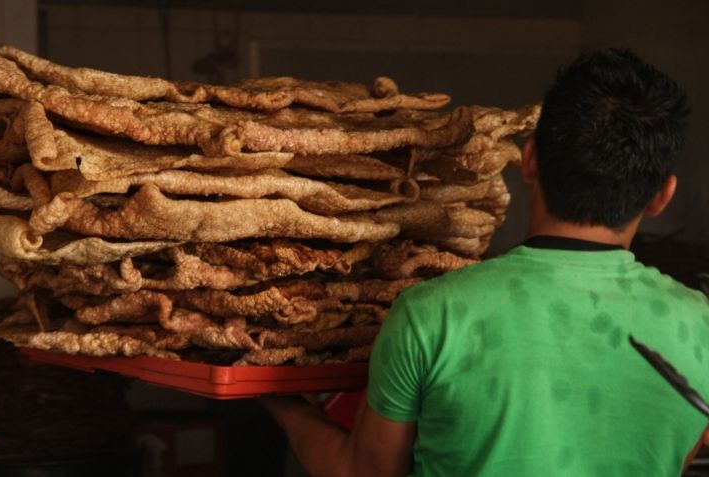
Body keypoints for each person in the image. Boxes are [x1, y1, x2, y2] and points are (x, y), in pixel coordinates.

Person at [260, 48, 709, 476]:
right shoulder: (701, 327)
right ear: (662, 196)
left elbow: (361, 471)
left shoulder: (432, 315)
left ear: (528, 160)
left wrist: (278, 398)